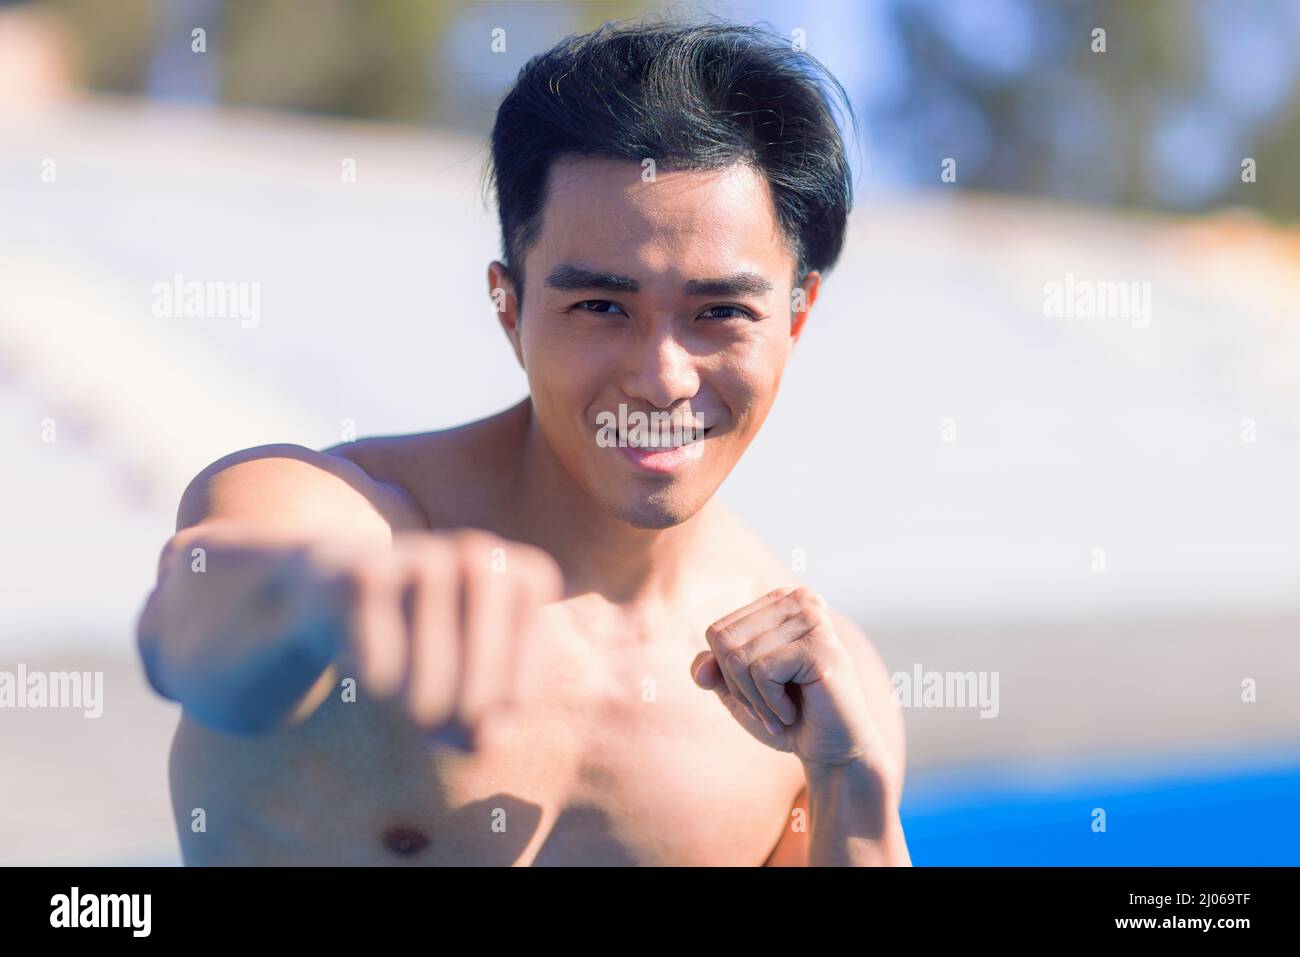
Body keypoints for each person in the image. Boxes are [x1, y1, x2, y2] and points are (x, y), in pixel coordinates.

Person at [137, 18, 909, 866]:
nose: (663, 378)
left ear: (795, 319)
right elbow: (195, 633)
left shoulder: (815, 690)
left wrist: (850, 791)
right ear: (509, 308)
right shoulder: (344, 519)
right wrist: (324, 602)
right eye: (601, 307)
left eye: (719, 312)